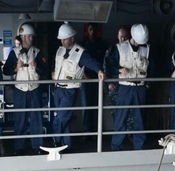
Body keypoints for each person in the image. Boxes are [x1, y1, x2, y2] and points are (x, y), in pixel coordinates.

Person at [52, 22, 105, 150]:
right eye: (61, 39)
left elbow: (92, 62)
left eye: (65, 39)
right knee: (64, 119)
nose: (62, 42)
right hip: (58, 89)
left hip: (70, 90)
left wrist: (99, 70)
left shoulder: (80, 53)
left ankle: (56, 141)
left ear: (72, 38)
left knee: (59, 119)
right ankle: (66, 145)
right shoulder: (60, 50)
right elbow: (57, 67)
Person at [3, 23, 49, 155]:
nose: (31, 39)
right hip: (20, 89)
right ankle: (19, 147)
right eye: (29, 36)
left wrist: (38, 67)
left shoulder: (38, 52)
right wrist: (16, 68)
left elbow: (46, 69)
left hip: (35, 89)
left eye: (32, 36)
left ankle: (38, 146)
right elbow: (5, 70)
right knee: (20, 119)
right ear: (22, 37)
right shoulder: (14, 53)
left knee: (36, 118)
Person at [106, 23, 153, 151]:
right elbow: (110, 64)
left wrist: (148, 84)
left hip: (140, 87)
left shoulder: (147, 49)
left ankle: (139, 146)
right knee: (121, 117)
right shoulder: (120, 48)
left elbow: (152, 68)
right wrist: (120, 69)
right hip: (125, 87)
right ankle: (116, 146)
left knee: (140, 118)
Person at [80, 23, 108, 134]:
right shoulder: (82, 45)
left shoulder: (102, 45)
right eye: (90, 29)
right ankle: (87, 132)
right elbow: (78, 62)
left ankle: (97, 132)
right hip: (85, 78)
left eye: (94, 29)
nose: (92, 32)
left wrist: (100, 73)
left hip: (98, 79)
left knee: (98, 105)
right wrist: (84, 75)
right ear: (87, 31)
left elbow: (105, 62)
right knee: (86, 106)